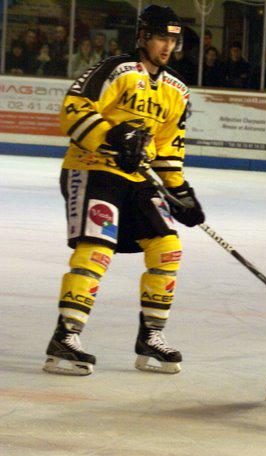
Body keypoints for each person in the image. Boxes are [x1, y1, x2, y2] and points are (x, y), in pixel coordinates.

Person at [43, 4, 205, 376]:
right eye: (161, 37)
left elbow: (167, 149)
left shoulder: (176, 90)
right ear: (143, 37)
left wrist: (181, 192)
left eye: (173, 40)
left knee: (167, 246)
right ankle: (65, 335)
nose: (167, 47)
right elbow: (74, 108)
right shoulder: (117, 70)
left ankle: (151, 336)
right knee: (97, 246)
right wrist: (111, 135)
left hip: (136, 180)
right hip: (92, 168)